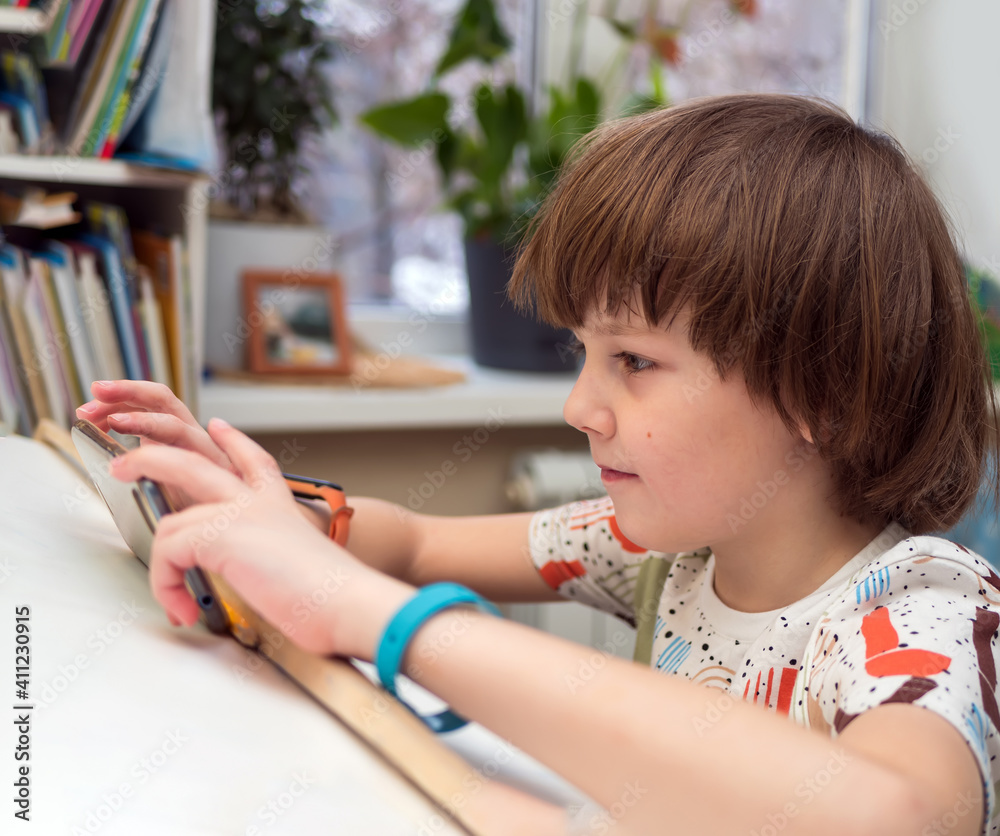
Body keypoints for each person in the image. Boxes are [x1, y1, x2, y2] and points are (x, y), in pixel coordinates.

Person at [77, 93, 1000, 836]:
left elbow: (896, 814)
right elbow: (420, 542)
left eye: (633, 362)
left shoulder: (916, 611)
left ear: (821, 390)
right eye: (583, 355)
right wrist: (271, 515)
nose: (579, 408)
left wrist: (375, 618)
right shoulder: (665, 552)